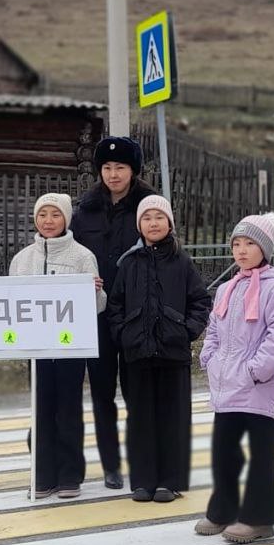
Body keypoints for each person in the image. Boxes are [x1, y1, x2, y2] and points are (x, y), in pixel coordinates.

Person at [197, 212, 274, 543]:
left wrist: (255, 370)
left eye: (250, 243)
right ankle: (223, 509)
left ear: (265, 249)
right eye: (237, 243)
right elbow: (214, 329)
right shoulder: (227, 287)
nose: (241, 250)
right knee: (223, 451)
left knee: (261, 454)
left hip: (258, 388)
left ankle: (259, 518)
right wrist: (208, 358)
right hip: (226, 386)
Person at [107, 195, 210, 503]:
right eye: (147, 218)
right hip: (137, 354)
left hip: (172, 353)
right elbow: (115, 306)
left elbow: (201, 302)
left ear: (169, 223)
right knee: (140, 418)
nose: (153, 223)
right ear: (140, 225)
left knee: (173, 418)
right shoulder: (129, 262)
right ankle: (143, 480)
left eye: (159, 217)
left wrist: (186, 330)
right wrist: (124, 335)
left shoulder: (182, 261)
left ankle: (170, 481)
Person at [8, 192, 106, 498]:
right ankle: (43, 475)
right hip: (36, 351)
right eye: (42, 215)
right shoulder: (22, 259)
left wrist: (94, 293)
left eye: (55, 215)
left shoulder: (81, 256)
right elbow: (11, 302)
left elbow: (98, 306)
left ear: (66, 218)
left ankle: (69, 475)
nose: (48, 221)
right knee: (41, 409)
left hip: (69, 350)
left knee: (68, 409)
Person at [71, 136, 155, 489]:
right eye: (106, 167)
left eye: (120, 167)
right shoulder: (85, 209)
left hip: (136, 314)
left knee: (137, 392)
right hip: (99, 315)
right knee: (102, 392)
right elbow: (72, 256)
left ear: (133, 170)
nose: (113, 174)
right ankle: (111, 466)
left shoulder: (148, 206)